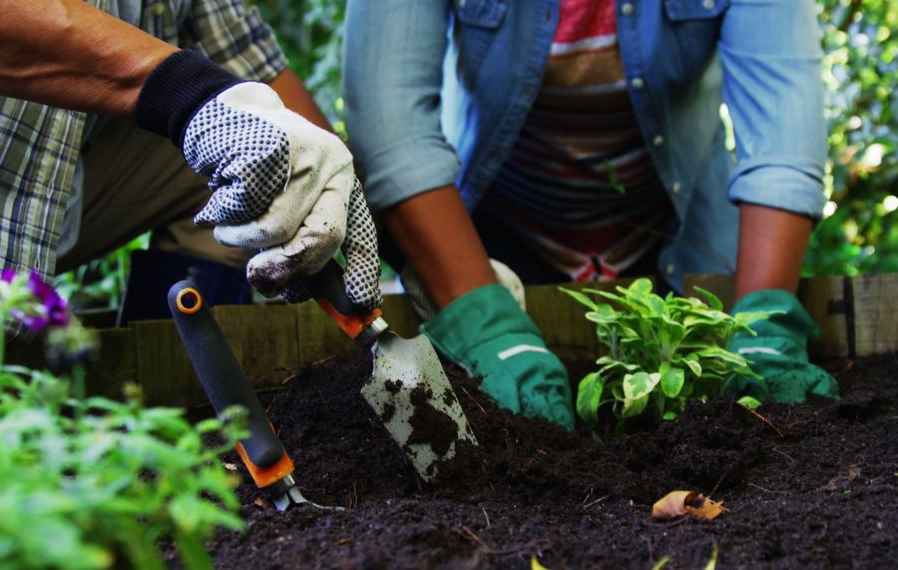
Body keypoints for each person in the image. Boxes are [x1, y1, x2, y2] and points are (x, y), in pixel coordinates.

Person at [343, 0, 841, 430]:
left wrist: (763, 325)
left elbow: (784, 133)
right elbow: (393, 132)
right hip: (488, 252)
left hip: (678, 239)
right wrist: (487, 327)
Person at [0, 0, 382, 361]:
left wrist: (329, 175)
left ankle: (169, 396)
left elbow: (256, 74)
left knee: (272, 163)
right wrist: (179, 90)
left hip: (53, 199)